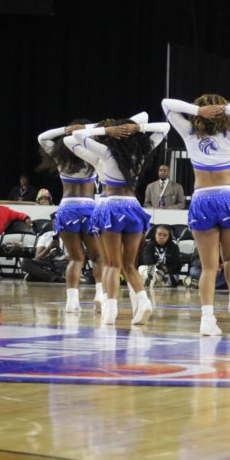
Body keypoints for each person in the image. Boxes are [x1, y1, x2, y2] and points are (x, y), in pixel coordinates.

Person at [162, 95, 230, 336]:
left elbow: (166, 104)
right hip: (228, 197)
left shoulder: (189, 133)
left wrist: (198, 111)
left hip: (202, 199)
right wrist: (225, 109)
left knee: (208, 267)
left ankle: (207, 319)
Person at [65, 115, 169, 326]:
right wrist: (137, 128)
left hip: (111, 206)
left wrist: (105, 130)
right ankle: (143, 300)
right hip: (133, 207)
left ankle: (110, 310)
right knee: (130, 264)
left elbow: (75, 136)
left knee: (112, 264)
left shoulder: (105, 152)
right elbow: (165, 127)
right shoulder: (142, 152)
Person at [38, 118, 109, 313]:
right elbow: (107, 131)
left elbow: (42, 138)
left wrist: (66, 129)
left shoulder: (61, 157)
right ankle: (99, 295)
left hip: (67, 208)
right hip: (89, 208)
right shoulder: (92, 154)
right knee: (98, 257)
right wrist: (87, 128)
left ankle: (72, 302)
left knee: (75, 259)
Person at [21, 215, 68, 283]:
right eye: (54, 224)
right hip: (47, 263)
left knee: (68, 265)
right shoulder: (46, 236)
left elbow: (76, 258)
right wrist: (48, 248)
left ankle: (40, 276)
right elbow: (37, 258)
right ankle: (55, 278)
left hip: (62, 264)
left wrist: (62, 256)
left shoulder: (72, 236)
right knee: (25, 263)